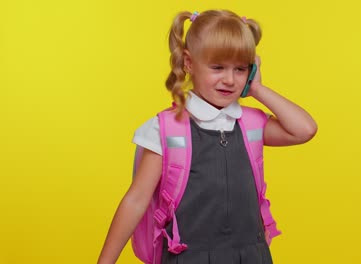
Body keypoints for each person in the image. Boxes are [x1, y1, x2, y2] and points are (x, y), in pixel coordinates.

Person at [98, 9, 317, 264]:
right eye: (217, 67)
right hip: (189, 257)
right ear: (189, 63)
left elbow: (305, 129)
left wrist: (257, 89)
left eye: (240, 69)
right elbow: (136, 200)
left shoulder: (251, 125)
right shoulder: (167, 129)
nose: (229, 79)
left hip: (251, 256)